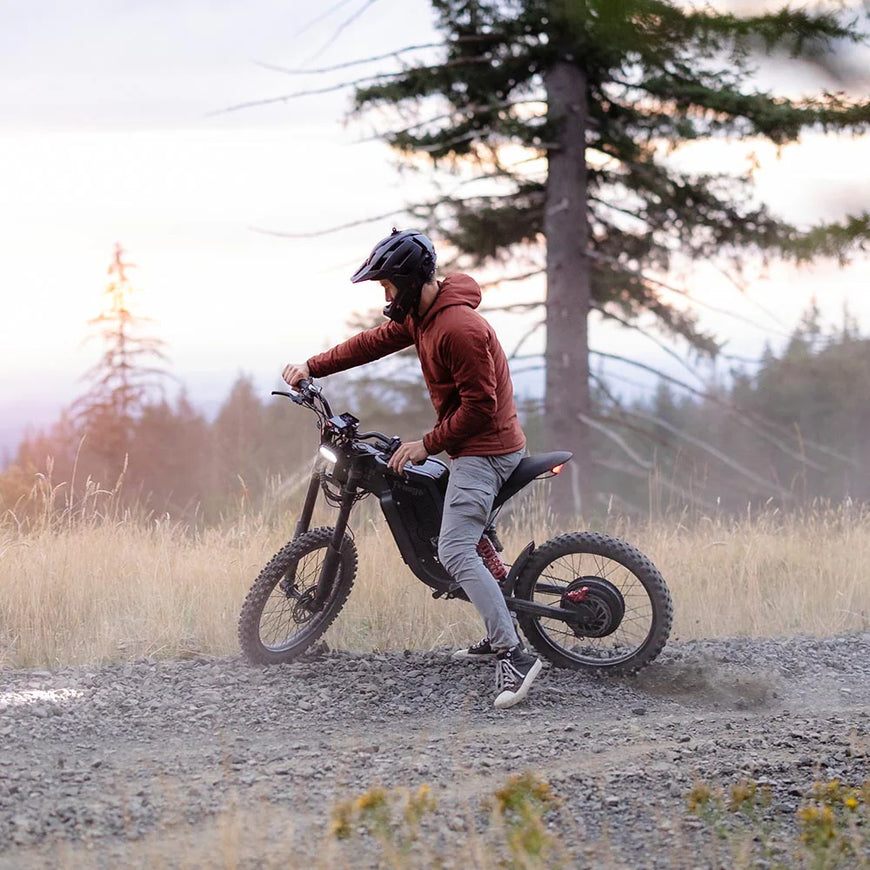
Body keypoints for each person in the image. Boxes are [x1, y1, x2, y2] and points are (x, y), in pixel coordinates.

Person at [282, 228, 542, 709]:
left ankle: (515, 653)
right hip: (471, 445)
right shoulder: (423, 318)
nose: (385, 297)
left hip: (486, 449)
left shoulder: (457, 329)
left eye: (387, 286)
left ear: (408, 281)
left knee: (455, 549)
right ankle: (498, 617)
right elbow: (371, 343)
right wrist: (312, 367)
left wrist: (429, 444)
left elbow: (481, 408)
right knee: (443, 517)